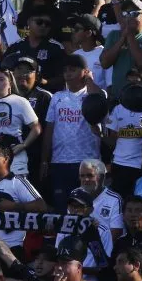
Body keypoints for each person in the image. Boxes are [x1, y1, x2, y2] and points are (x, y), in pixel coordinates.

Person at [40, 54, 104, 209]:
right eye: (65, 70)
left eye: (73, 70)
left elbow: (101, 98)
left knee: (88, 207)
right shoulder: (57, 97)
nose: (68, 73)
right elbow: (49, 130)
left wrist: (89, 80)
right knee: (63, 208)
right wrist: (44, 160)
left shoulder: (93, 94)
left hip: (88, 162)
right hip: (59, 162)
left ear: (85, 71)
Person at [0, 140, 47, 259]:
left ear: (6, 159)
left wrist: (14, 206)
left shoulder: (17, 182)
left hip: (11, 251)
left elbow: (41, 206)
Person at [99, 0, 142, 95]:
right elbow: (104, 63)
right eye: (125, 14)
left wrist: (129, 35)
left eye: (134, 13)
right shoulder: (114, 35)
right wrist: (122, 39)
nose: (128, 17)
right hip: (119, 97)